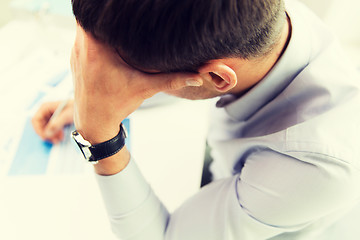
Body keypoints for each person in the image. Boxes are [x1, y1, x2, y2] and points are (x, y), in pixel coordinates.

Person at [32, 0, 360, 239]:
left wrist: (99, 137)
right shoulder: (255, 22)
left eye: (132, 70)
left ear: (218, 78)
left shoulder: (318, 166)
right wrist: (96, 96)